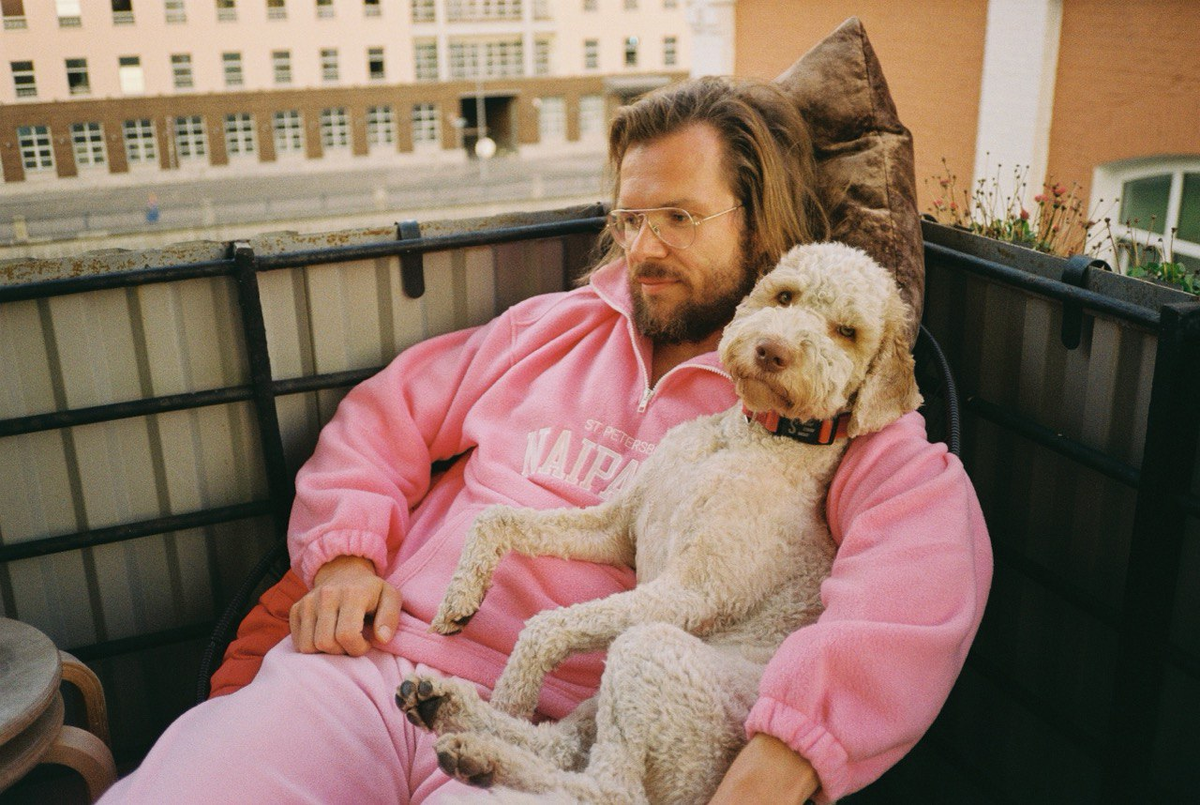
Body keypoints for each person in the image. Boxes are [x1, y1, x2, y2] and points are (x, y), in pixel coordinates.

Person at [101, 76, 990, 804]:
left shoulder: (818, 406)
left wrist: (790, 749)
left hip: (568, 746)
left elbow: (923, 563)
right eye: (632, 219)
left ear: (761, 225)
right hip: (372, 671)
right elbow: (384, 417)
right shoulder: (550, 327)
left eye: (680, 218)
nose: (644, 249)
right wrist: (343, 558)